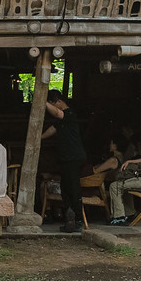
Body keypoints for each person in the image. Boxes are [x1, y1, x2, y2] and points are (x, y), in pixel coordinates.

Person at [40, 89, 87, 232]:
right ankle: (70, 220)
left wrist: (42, 101)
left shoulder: (69, 114)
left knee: (73, 188)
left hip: (73, 158)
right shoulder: (61, 120)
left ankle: (78, 220)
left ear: (58, 102)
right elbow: (53, 129)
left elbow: (56, 113)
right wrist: (39, 138)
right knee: (65, 190)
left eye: (52, 104)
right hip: (66, 159)